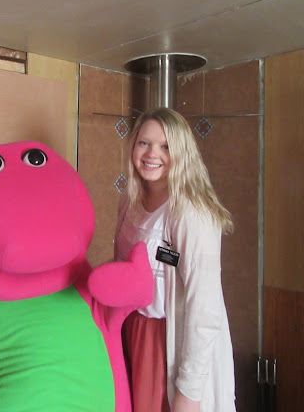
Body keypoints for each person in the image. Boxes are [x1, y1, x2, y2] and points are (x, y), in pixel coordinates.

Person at [114, 107, 236, 412]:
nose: (152, 154)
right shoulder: (129, 199)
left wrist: (190, 390)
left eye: (165, 146)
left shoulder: (192, 212)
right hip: (132, 330)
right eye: (144, 143)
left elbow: (205, 307)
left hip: (168, 343)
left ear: (182, 152)